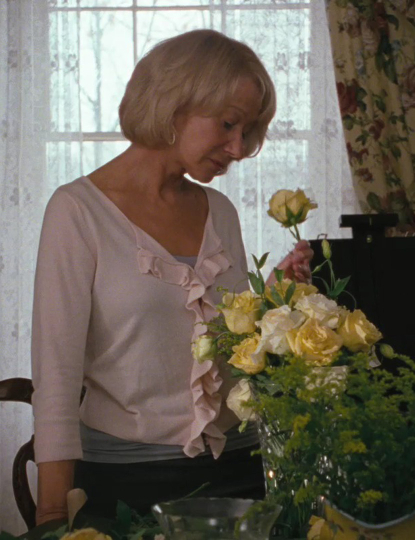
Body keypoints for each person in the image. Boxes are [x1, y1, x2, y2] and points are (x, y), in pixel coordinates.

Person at [31, 29, 313, 525]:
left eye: (247, 131)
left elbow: (220, 349)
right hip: (126, 481)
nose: (238, 147)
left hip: (241, 469)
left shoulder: (220, 212)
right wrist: (53, 515)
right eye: (229, 123)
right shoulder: (77, 211)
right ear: (174, 103)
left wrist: (272, 306)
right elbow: (56, 376)